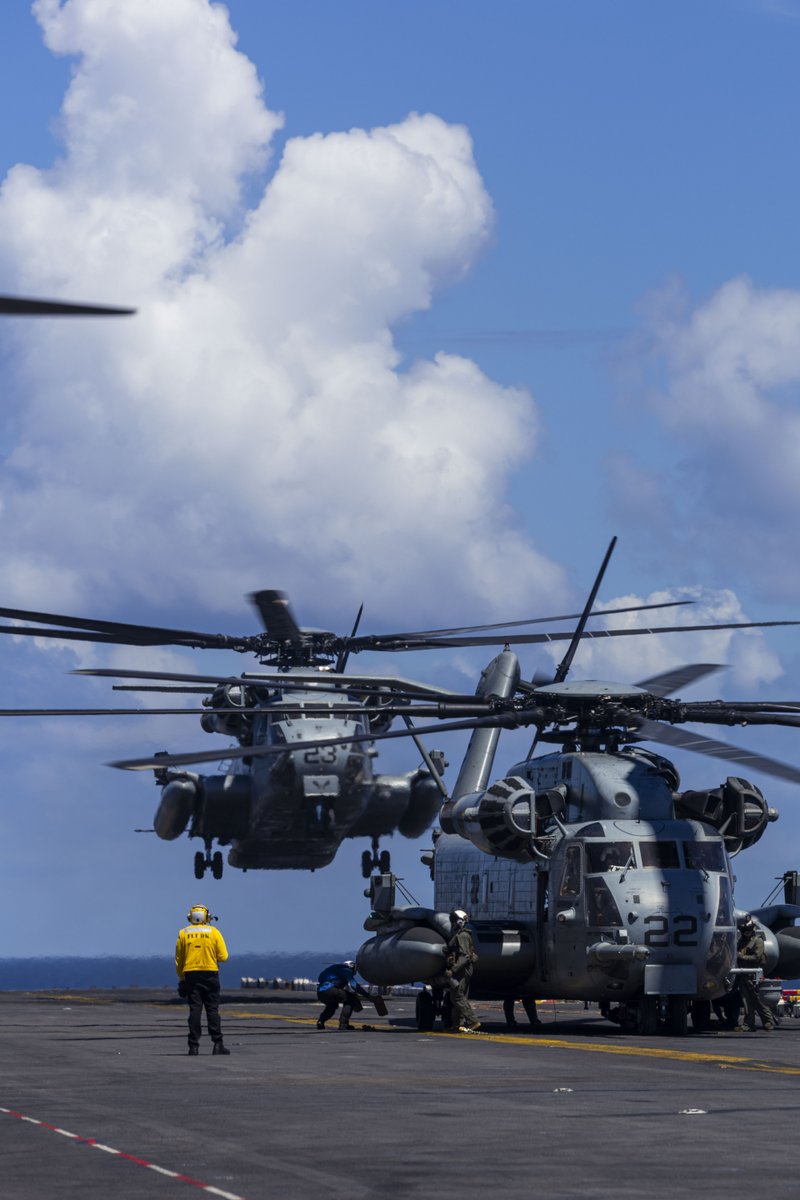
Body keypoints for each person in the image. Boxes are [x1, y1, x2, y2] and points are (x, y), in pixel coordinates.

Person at [175, 904, 230, 1056]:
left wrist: (181, 979)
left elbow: (179, 960)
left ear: (190, 917)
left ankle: (193, 1047)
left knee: (195, 1010)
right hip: (210, 974)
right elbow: (224, 957)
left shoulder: (183, 933)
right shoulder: (214, 932)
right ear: (206, 917)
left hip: (191, 975)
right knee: (212, 1009)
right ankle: (217, 1044)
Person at [734, 916, 774, 1033]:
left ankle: (768, 1021)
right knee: (746, 1000)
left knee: (757, 1000)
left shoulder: (758, 941)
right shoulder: (741, 942)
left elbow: (757, 957)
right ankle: (748, 1024)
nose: (746, 933)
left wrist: (741, 956)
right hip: (743, 974)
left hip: (753, 975)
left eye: (748, 930)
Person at [445, 909, 480, 1033]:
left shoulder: (462, 936)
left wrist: (453, 970)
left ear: (460, 922)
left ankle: (473, 1021)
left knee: (457, 997)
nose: (452, 923)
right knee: (459, 996)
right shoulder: (461, 935)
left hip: (462, 970)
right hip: (463, 969)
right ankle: (457, 1024)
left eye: (454, 921)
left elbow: (464, 956)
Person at [316, 961, 371, 1030]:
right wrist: (367, 995)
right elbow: (354, 985)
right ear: (352, 967)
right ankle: (344, 1024)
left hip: (320, 992)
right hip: (330, 989)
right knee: (350, 999)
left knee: (332, 1005)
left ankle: (320, 1021)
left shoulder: (334, 969)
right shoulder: (346, 970)